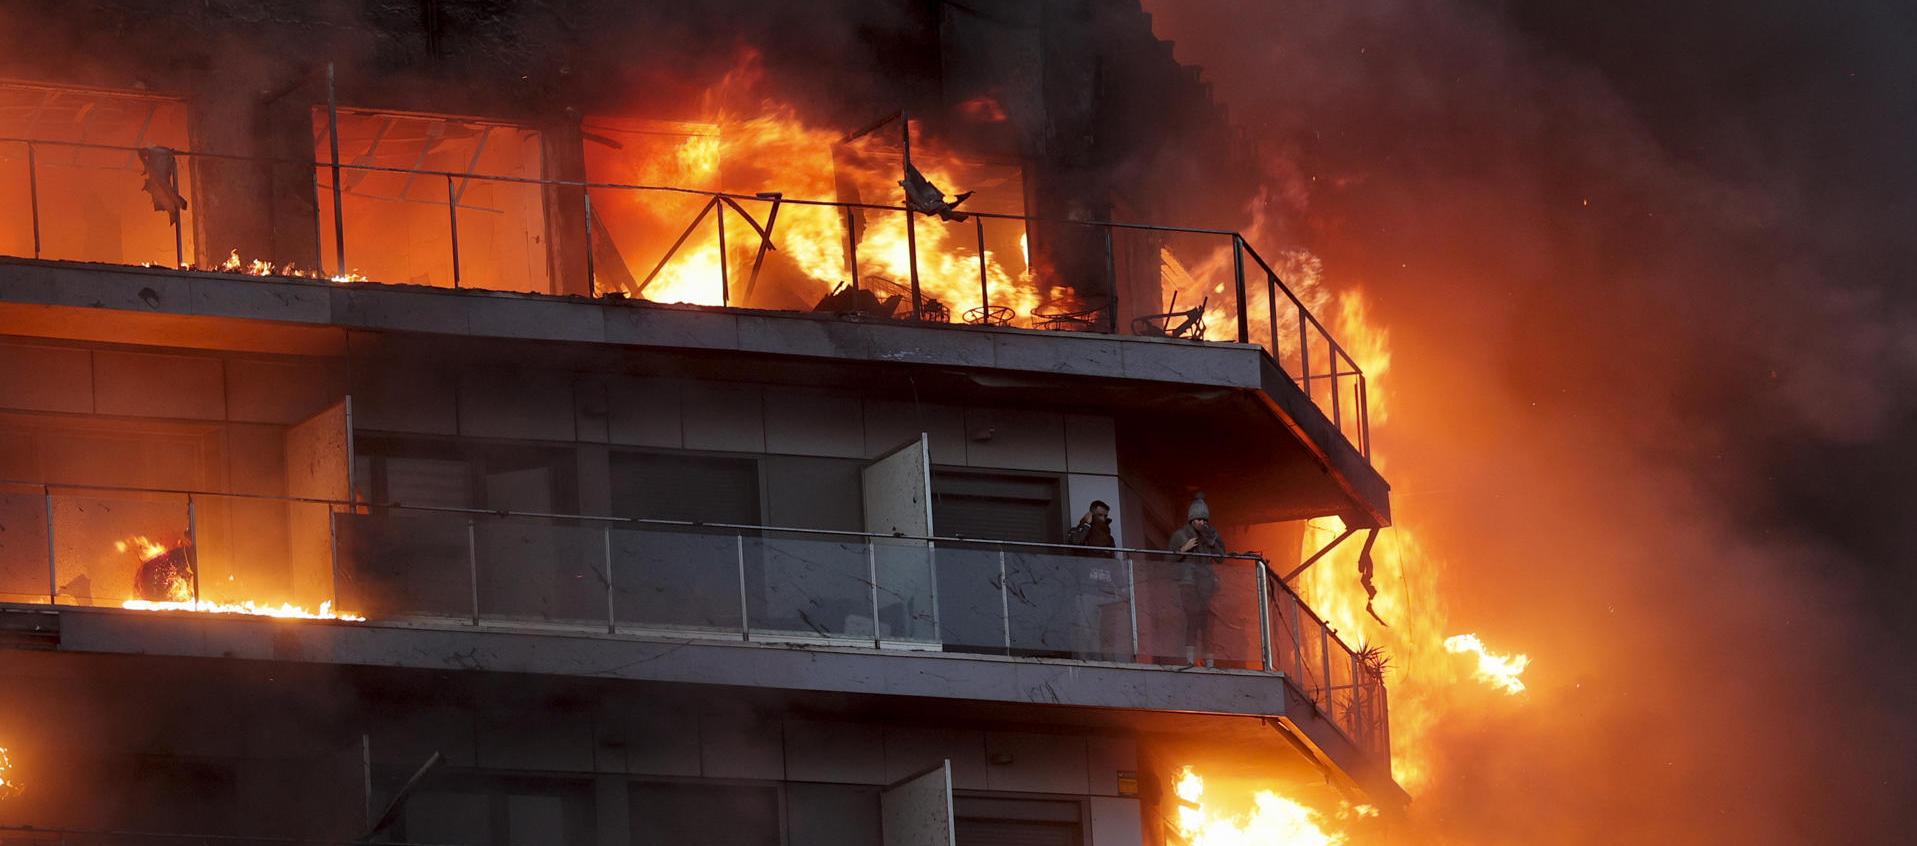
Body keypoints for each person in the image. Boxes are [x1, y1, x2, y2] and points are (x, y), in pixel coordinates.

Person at [1167, 492, 1224, 666]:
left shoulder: (1210, 537)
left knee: (1206, 622)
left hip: (1205, 585)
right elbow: (1168, 560)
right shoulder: (1180, 535)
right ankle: (1190, 659)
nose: (1202, 523)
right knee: (1192, 618)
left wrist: (1213, 543)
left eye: (1205, 520)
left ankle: (1209, 660)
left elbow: (1221, 558)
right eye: (1199, 519)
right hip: (1188, 583)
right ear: (1191, 519)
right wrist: (1183, 550)